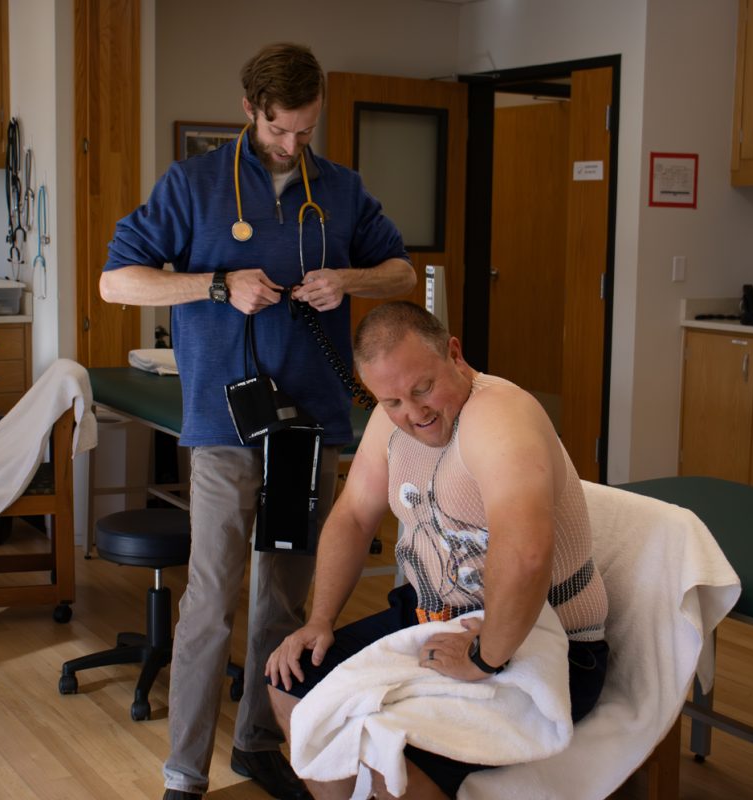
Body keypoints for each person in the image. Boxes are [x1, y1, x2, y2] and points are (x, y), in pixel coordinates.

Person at [101, 43, 416, 800]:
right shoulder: (194, 184)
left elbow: (402, 270)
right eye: (281, 130)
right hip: (224, 424)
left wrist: (350, 278)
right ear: (250, 110)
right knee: (212, 597)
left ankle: (255, 740)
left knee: (284, 593)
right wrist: (215, 284)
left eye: (306, 131)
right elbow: (118, 282)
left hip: (310, 428)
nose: (292, 145)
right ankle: (183, 772)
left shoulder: (338, 189)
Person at [265, 301, 610, 799]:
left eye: (422, 389)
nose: (414, 413)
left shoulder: (498, 418)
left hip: (543, 640)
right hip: (432, 617)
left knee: (390, 753)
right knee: (290, 682)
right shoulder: (392, 422)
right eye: (392, 402)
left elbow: (527, 553)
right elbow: (354, 516)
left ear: (454, 353)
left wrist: (486, 657)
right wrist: (320, 619)